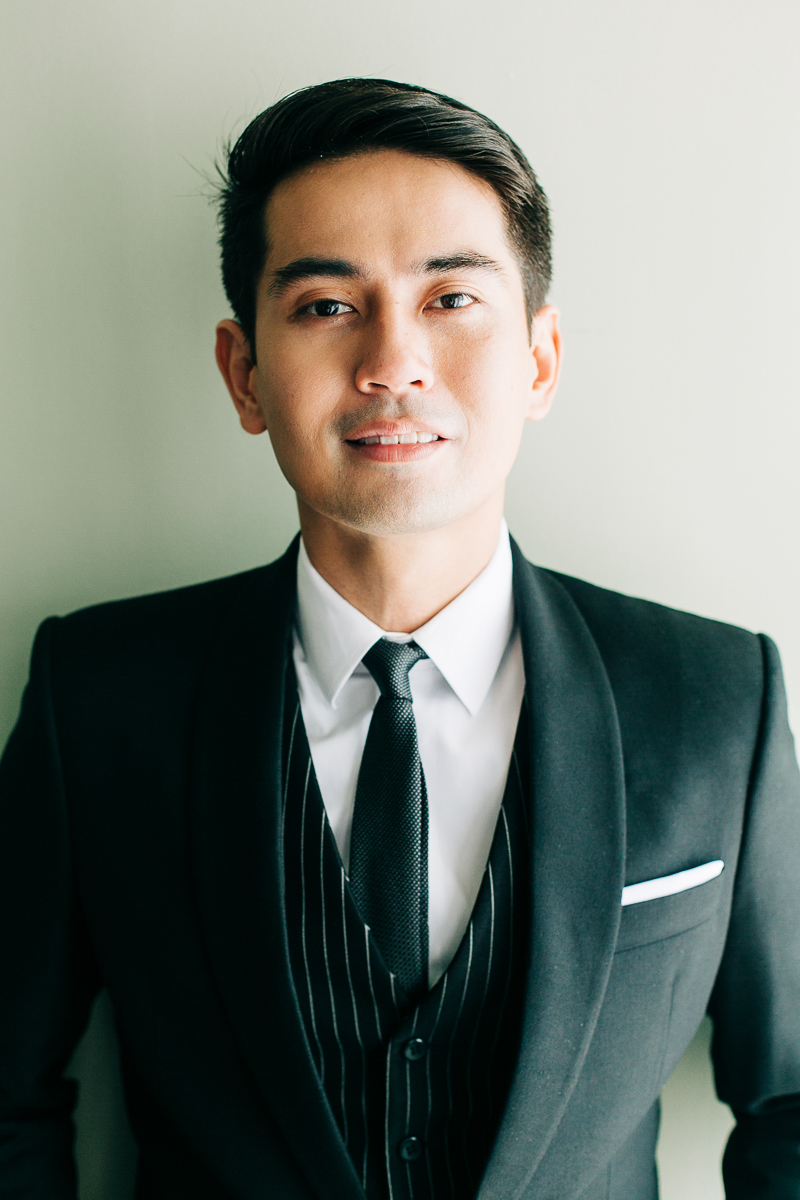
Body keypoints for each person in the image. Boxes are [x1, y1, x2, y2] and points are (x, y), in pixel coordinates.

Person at [1, 77, 798, 1200]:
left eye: (451, 298)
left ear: (539, 360)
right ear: (244, 372)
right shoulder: (97, 698)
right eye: (327, 306)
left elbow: (791, 1107)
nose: (392, 363)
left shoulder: (717, 696)